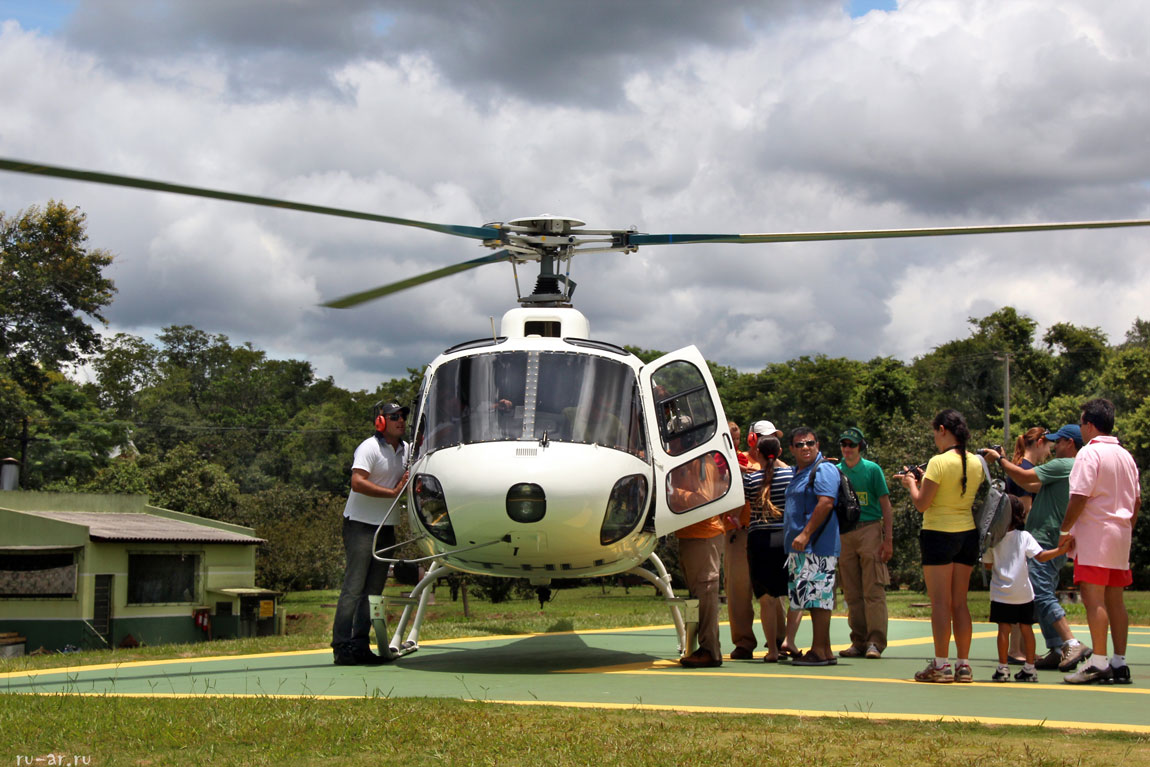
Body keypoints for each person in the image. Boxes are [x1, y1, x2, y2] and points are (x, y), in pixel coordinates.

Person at [982, 425, 1092, 671]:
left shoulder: (1064, 465)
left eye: (1058, 442)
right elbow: (1032, 486)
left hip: (1046, 536)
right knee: (1042, 590)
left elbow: (1024, 478)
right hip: (1055, 537)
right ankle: (1056, 648)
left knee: (1040, 592)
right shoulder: (1076, 468)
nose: (1054, 447)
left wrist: (1000, 459)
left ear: (1070, 444)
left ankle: (1071, 641)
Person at [898, 409, 982, 683]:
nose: (934, 437)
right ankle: (964, 665)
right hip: (967, 533)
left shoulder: (938, 462)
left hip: (938, 534)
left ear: (943, 429)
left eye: (935, 432)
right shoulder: (976, 462)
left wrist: (911, 483)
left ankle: (941, 665)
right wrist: (925, 481)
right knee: (960, 603)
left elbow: (923, 503)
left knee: (940, 604)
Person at [1061, 398, 1140, 685]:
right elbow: (1138, 500)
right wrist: (1126, 526)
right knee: (1115, 600)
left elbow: (1080, 495)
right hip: (1120, 532)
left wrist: (1065, 530)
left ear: (1090, 425)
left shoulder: (1089, 453)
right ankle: (1119, 662)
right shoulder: (1125, 456)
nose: (1081, 429)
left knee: (1094, 599)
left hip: (1096, 532)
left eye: (1081, 424)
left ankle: (1098, 662)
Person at [331, 401, 410, 666]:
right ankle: (342, 648)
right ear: (380, 421)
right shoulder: (369, 447)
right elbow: (357, 482)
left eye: (403, 416)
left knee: (374, 589)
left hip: (386, 526)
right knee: (354, 588)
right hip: (360, 524)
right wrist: (392, 493)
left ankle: (360, 645)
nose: (401, 420)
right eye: (395, 416)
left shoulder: (407, 450)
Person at [984, 495, 1073, 683]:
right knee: (1026, 629)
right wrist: (1060, 551)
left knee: (1003, 630)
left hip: (1001, 593)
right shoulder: (1024, 536)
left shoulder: (993, 539)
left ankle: (1002, 668)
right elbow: (1040, 556)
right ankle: (1030, 668)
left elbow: (988, 565)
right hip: (1024, 592)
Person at [783, 426, 841, 666]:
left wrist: (806, 534)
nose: (805, 447)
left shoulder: (823, 469)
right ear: (791, 449)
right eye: (799, 444)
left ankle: (818, 650)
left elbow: (826, 503)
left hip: (816, 545)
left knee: (817, 600)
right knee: (813, 599)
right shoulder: (799, 471)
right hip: (802, 548)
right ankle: (824, 650)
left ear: (817, 445)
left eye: (809, 443)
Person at [835, 427, 893, 660]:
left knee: (873, 589)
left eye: (852, 444)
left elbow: (886, 505)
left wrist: (888, 539)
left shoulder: (872, 470)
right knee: (851, 591)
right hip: (844, 533)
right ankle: (858, 640)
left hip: (869, 528)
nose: (847, 448)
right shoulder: (835, 471)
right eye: (844, 444)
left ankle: (876, 642)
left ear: (860, 447)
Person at [742, 421, 797, 662]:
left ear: (757, 453)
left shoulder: (751, 481)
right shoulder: (792, 474)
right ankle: (788, 641)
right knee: (791, 593)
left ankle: (772, 651)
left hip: (759, 540)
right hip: (784, 538)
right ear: (780, 453)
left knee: (766, 599)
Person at [674, 458, 728, 668]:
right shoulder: (681, 460)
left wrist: (672, 493)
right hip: (688, 533)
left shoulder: (702, 461)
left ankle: (710, 650)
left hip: (704, 534)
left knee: (705, 591)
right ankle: (695, 646)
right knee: (695, 595)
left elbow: (704, 498)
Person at [724, 420, 757, 659]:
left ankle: (777, 641)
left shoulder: (770, 463)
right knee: (737, 590)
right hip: (736, 532)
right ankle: (744, 642)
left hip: (761, 530)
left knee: (770, 592)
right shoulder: (722, 459)